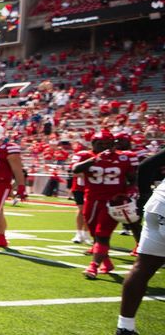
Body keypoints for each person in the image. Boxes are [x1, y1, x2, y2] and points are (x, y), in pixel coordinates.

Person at [72, 130, 139, 279]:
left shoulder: (125, 157)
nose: (103, 147)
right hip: (91, 199)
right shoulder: (85, 155)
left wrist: (132, 190)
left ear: (113, 144)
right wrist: (95, 159)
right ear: (93, 144)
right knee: (95, 233)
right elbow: (75, 170)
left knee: (103, 233)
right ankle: (107, 262)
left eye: (107, 144)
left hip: (113, 201)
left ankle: (93, 266)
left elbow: (133, 177)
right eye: (100, 144)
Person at [116, 147, 165, 335]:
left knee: (143, 266)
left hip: (158, 203)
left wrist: (144, 196)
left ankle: (125, 327)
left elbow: (146, 166)